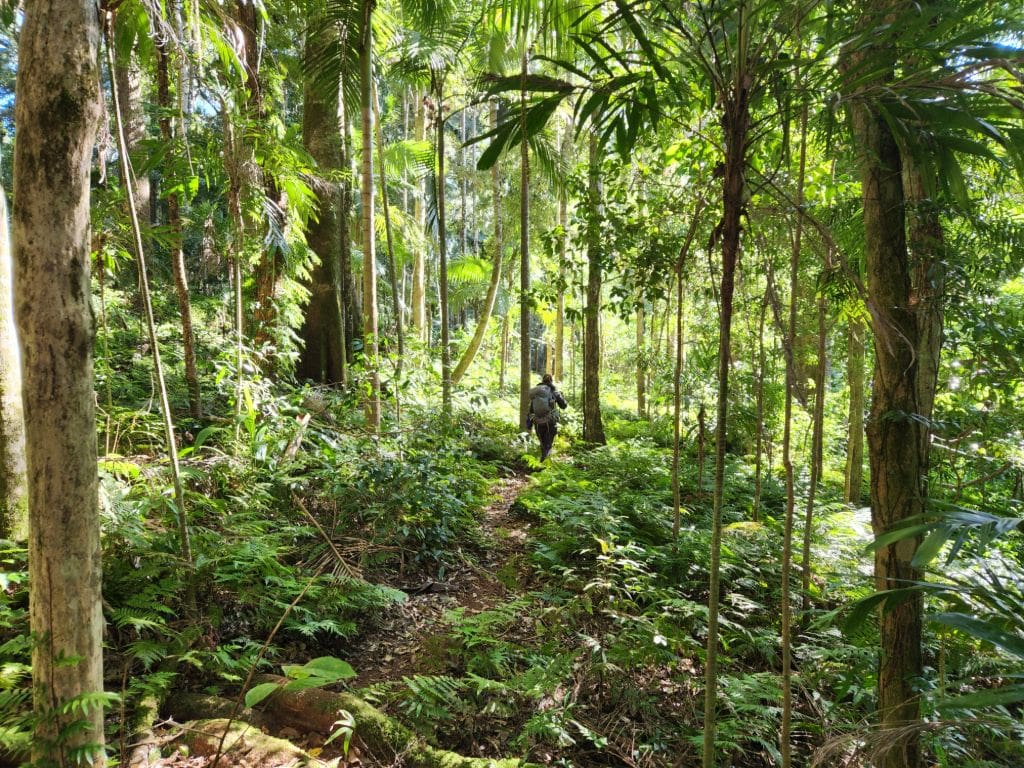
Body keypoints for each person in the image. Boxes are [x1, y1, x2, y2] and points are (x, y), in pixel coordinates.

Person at [527, 374, 568, 461]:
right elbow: (564, 405)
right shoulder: (553, 391)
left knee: (543, 443)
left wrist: (529, 424)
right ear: (551, 381)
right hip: (550, 421)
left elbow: (531, 410)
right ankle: (545, 463)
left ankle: (543, 462)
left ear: (542, 381)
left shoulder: (536, 393)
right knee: (548, 443)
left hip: (537, 421)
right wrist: (561, 396)